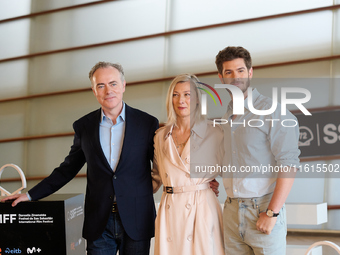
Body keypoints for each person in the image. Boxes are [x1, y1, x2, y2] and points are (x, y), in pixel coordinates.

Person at [1, 62, 159, 255]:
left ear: (124, 85)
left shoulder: (147, 123)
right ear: (94, 90)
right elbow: (67, 169)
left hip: (137, 217)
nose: (108, 90)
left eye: (113, 83)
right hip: (99, 220)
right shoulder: (84, 126)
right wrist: (30, 195)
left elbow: (164, 165)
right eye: (101, 85)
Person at [215, 46, 300, 255]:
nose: (236, 77)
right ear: (221, 77)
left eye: (241, 70)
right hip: (232, 211)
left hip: (262, 209)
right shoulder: (226, 117)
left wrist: (272, 213)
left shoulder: (274, 112)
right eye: (229, 72)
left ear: (250, 72)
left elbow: (289, 164)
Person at [152, 74, 225, 255]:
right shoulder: (160, 136)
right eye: (175, 95)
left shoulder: (215, 132)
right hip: (170, 209)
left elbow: (233, 168)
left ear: (198, 99)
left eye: (187, 94)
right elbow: (156, 177)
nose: (181, 100)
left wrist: (211, 183)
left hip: (202, 209)